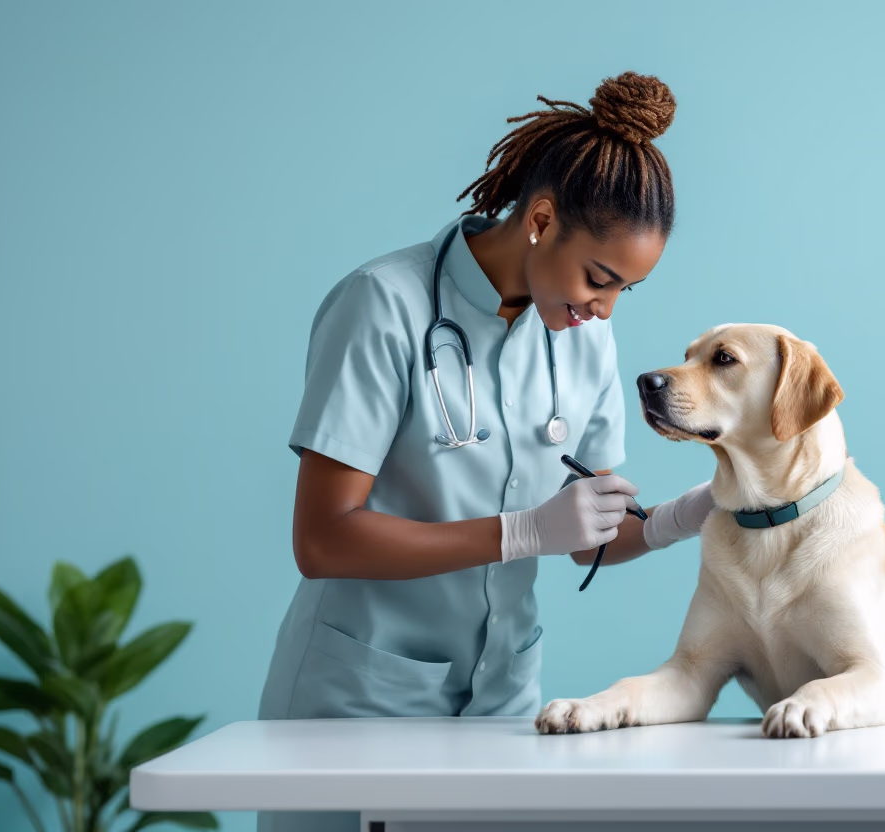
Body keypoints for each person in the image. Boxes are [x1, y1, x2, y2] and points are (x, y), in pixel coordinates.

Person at [256, 72, 713, 832]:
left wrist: (692, 512)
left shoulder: (583, 336)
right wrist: (520, 532)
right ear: (540, 220)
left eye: (625, 291)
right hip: (362, 703)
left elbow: (591, 531)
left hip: (502, 707)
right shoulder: (384, 306)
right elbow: (322, 538)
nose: (604, 308)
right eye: (599, 278)